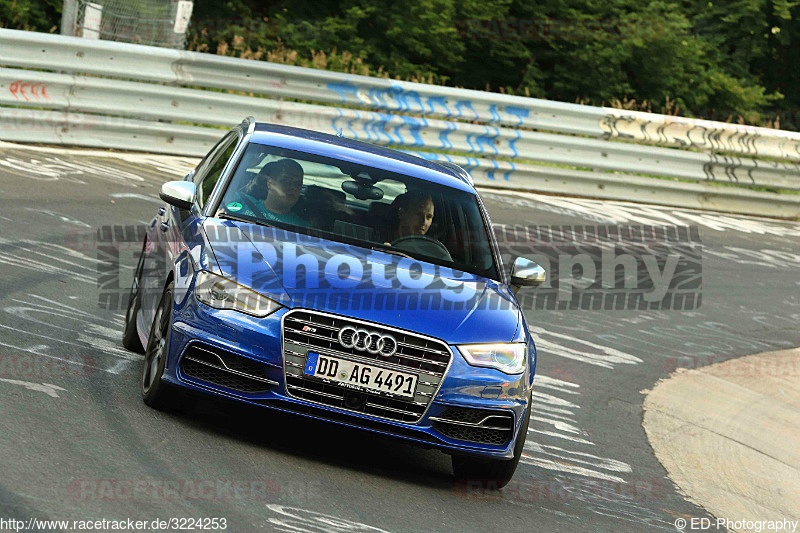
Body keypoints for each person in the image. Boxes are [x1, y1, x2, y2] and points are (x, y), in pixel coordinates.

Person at [226, 159, 308, 226]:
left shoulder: (302, 227)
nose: (293, 187)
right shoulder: (241, 201)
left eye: (298, 184)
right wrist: (244, 164)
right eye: (286, 181)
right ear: (269, 183)